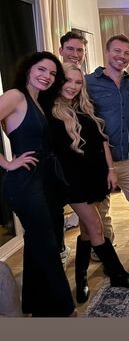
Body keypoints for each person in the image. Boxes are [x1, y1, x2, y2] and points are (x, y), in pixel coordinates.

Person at [50, 63, 129, 303]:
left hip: (94, 176)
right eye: (68, 80)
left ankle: (81, 277)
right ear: (59, 81)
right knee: (96, 226)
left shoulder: (83, 107)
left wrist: (111, 170)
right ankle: (118, 274)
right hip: (72, 182)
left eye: (78, 82)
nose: (73, 86)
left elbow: (103, 141)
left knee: (86, 229)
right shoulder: (50, 111)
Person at [0, 51, 76, 317]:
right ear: (28, 69)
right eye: (41, 70)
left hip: (44, 180)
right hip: (25, 181)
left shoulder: (38, 101)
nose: (47, 76)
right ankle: (64, 310)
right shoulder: (16, 95)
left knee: (38, 242)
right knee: (47, 245)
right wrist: (6, 163)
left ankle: (35, 304)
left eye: (52, 73)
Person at [86, 34, 129, 273]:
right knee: (100, 211)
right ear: (107, 52)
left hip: (125, 158)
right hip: (96, 161)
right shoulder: (88, 82)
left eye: (127, 53)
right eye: (117, 51)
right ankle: (106, 254)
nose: (122, 57)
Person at [58, 31, 88, 257]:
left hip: (79, 166)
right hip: (56, 169)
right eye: (70, 49)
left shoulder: (82, 89)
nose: (75, 54)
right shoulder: (48, 85)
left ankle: (83, 266)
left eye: (80, 50)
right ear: (61, 50)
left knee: (92, 222)